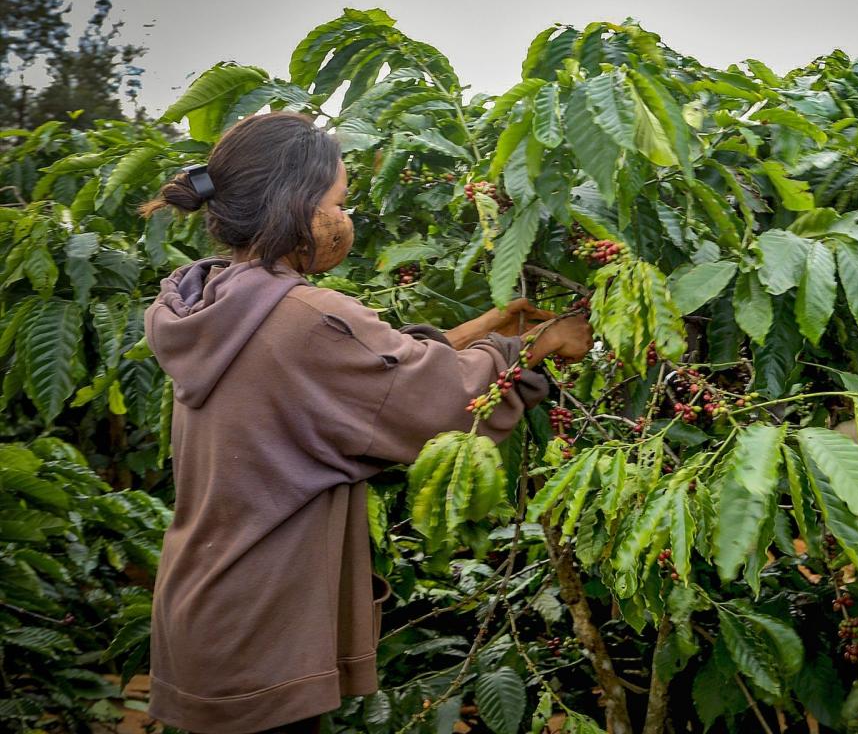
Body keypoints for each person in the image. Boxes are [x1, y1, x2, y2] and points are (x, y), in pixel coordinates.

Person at [139, 112, 593, 734]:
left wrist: (489, 328)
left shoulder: (218, 302)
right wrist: (539, 344)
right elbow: (440, 404)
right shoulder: (309, 319)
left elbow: (373, 378)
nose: (346, 220)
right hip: (261, 633)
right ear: (295, 206)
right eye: (340, 202)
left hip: (208, 606)